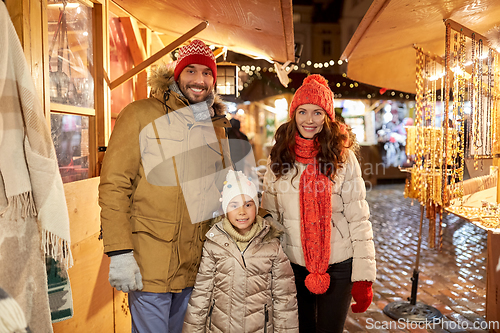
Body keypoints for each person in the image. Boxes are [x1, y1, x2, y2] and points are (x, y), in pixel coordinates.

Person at [99, 40, 234, 332]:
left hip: (195, 265)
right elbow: (114, 185)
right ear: (176, 75)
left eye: (207, 73)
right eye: (191, 71)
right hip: (150, 263)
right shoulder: (140, 114)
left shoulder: (215, 126)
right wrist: (119, 252)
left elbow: (226, 192)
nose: (199, 80)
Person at [261, 74, 376, 333]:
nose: (309, 120)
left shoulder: (343, 158)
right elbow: (269, 216)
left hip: (338, 266)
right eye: (302, 111)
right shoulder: (279, 157)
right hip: (292, 266)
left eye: (317, 112)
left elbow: (359, 219)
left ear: (327, 116)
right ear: (294, 114)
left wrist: (363, 276)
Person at [183, 170, 299, 333]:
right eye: (234, 205)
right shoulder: (214, 244)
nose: (242, 211)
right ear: (225, 209)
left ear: (256, 207)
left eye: (248, 204)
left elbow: (284, 299)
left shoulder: (272, 246)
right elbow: (201, 295)